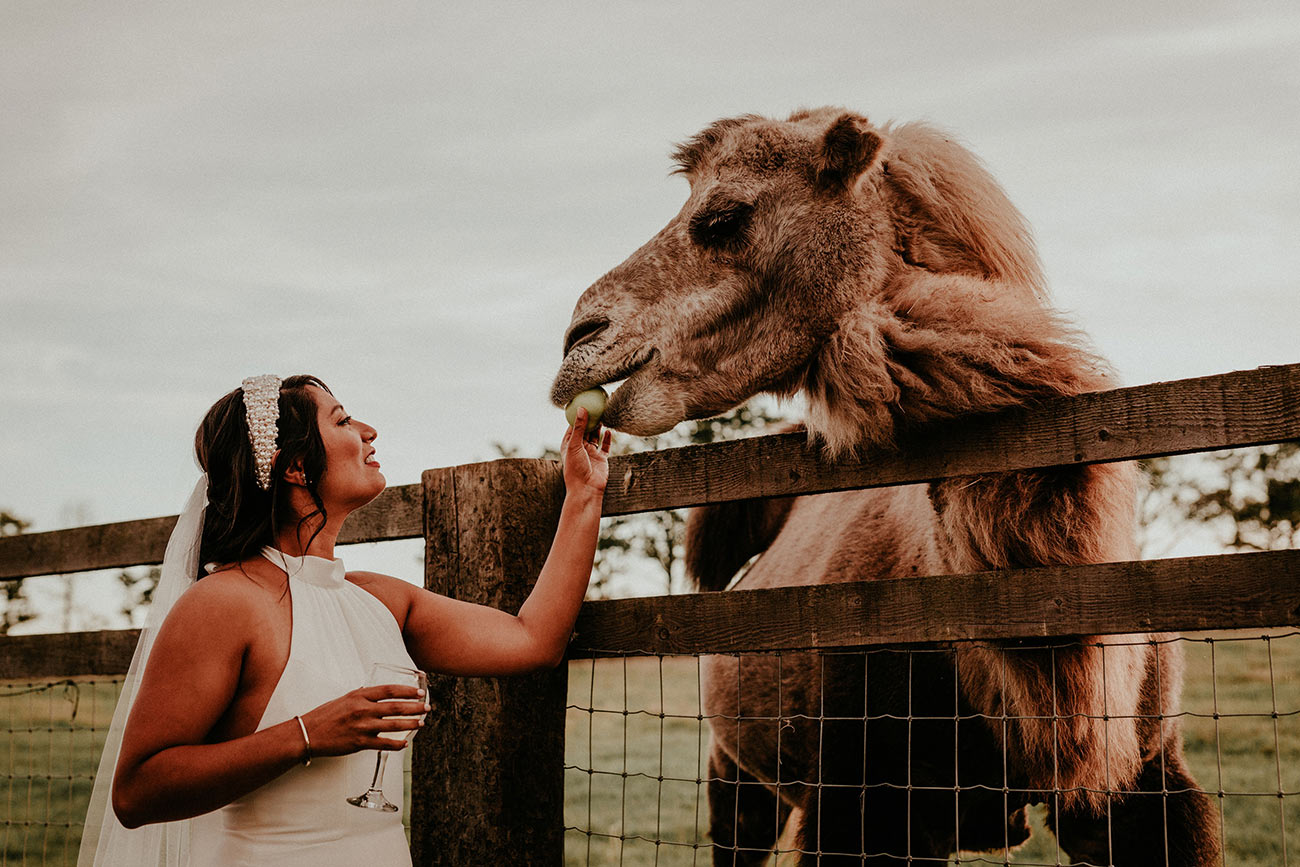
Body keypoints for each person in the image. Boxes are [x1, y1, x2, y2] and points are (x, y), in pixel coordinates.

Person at [78, 374, 611, 866]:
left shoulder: (378, 598)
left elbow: (532, 641)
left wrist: (584, 496)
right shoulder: (223, 603)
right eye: (341, 420)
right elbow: (136, 792)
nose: (368, 430)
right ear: (295, 466)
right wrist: (308, 733)